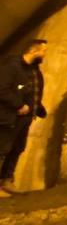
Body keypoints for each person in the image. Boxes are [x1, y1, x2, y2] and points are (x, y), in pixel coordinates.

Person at [0, 38, 47, 196]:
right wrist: (18, 105)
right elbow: (2, 89)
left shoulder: (34, 71)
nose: (45, 54)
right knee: (2, 149)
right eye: (43, 51)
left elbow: (32, 91)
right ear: (33, 50)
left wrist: (38, 108)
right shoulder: (12, 67)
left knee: (17, 149)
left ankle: (6, 180)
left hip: (25, 119)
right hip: (9, 118)